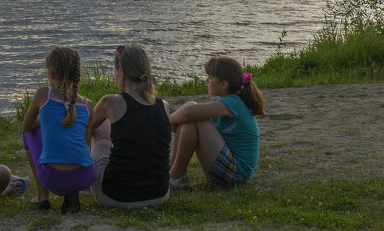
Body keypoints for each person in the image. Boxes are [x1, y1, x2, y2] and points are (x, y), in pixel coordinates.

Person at [85, 44, 171, 209]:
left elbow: (85, 129)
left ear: (122, 73)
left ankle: (83, 182)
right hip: (159, 194)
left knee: (100, 136)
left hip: (116, 196)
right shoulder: (164, 105)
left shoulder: (110, 102)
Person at [169, 56, 264, 188]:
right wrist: (177, 119)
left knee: (193, 115)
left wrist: (168, 120)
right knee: (190, 113)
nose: (207, 80)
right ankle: (173, 171)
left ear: (224, 84)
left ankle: (177, 174)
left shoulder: (233, 102)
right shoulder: (226, 102)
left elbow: (188, 113)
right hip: (230, 169)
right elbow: (188, 113)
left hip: (237, 174)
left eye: (211, 77)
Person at [21, 46, 95, 213]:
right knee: (75, 148)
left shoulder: (42, 95)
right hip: (85, 176)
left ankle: (42, 196)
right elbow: (87, 146)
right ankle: (72, 193)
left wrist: (46, 118)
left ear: (51, 74)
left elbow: (26, 126)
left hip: (53, 178)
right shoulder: (88, 105)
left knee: (29, 134)